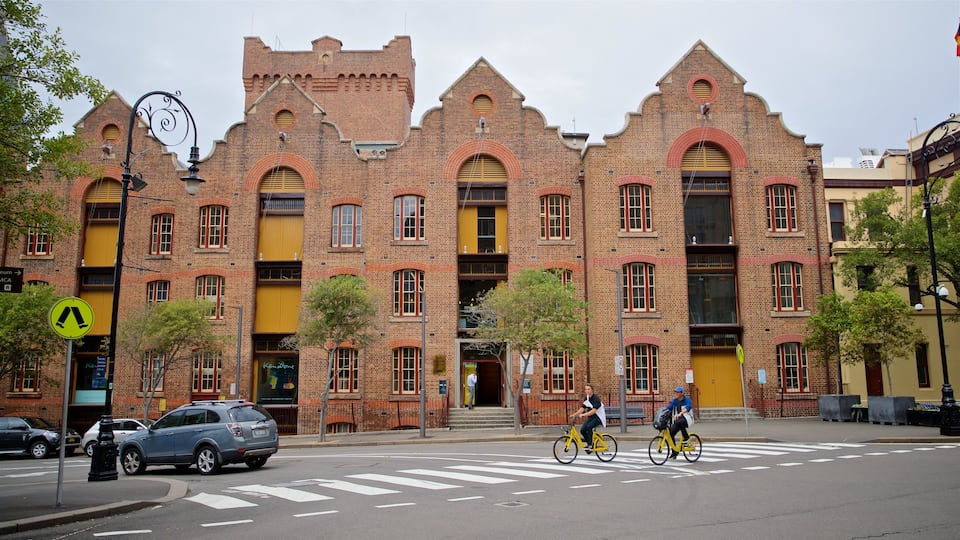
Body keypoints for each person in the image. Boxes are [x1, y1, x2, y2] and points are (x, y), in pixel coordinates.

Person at [569, 383, 606, 451]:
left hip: (599, 417)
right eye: (586, 389)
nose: (587, 391)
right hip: (592, 417)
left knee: (589, 427)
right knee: (582, 430)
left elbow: (594, 411)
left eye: (588, 389)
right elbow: (583, 408)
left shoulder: (596, 398)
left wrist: (583, 415)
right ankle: (589, 443)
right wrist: (575, 414)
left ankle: (591, 444)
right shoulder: (587, 398)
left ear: (592, 390)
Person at [664, 386, 694, 459]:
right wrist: (662, 411)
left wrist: (681, 413)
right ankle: (674, 452)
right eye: (676, 392)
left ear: (682, 393)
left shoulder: (687, 400)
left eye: (678, 392)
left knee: (680, 422)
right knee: (671, 434)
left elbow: (688, 407)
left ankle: (686, 438)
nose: (676, 393)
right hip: (677, 420)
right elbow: (669, 407)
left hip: (687, 418)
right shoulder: (675, 401)